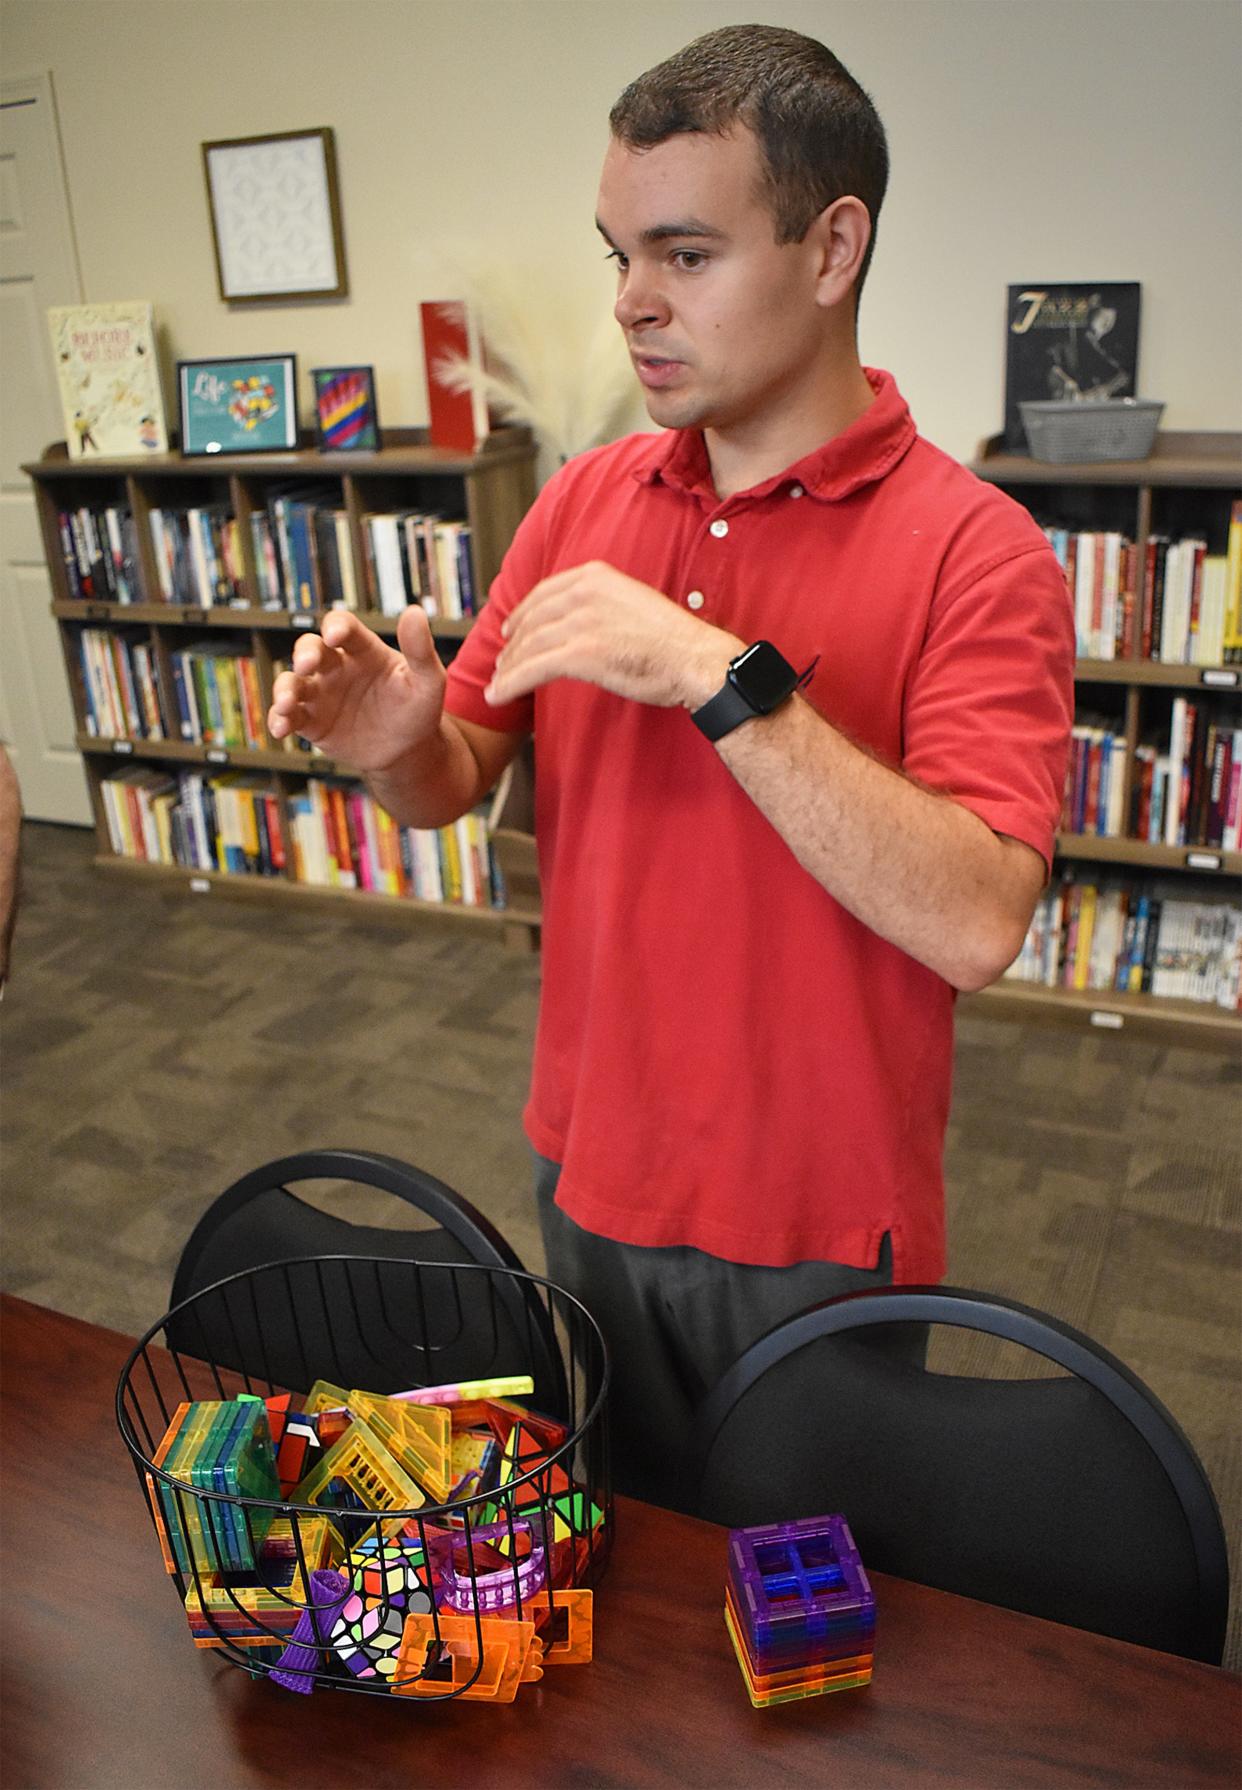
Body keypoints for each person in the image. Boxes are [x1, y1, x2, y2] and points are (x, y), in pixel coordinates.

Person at [268, 25, 1074, 1506]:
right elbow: (456, 772)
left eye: (685, 255)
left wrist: (715, 674)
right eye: (617, 254)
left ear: (833, 249)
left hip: (814, 1214)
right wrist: (393, 743)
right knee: (624, 1570)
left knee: (811, 1614)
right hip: (586, 1165)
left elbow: (975, 918)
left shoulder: (979, 550)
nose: (632, 303)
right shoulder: (581, 497)